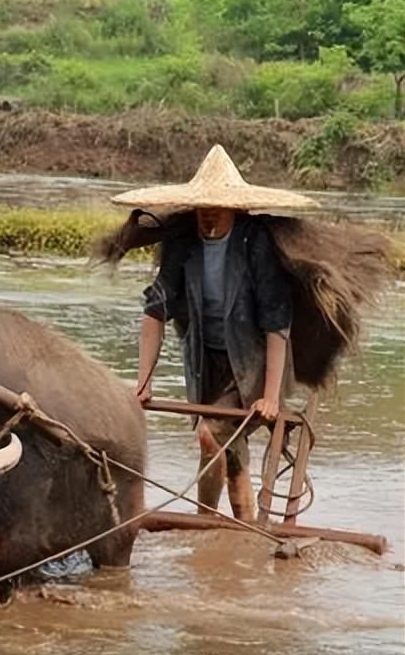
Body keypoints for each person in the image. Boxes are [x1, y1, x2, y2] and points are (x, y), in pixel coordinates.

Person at [109, 145, 319, 523]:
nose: (208, 216)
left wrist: (270, 398)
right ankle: (227, 532)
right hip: (207, 360)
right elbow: (156, 308)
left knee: (209, 436)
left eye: (217, 209)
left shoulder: (256, 244)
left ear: (235, 210)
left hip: (253, 362)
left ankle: (206, 521)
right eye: (203, 208)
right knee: (225, 453)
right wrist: (142, 382)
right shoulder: (183, 242)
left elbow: (276, 322)